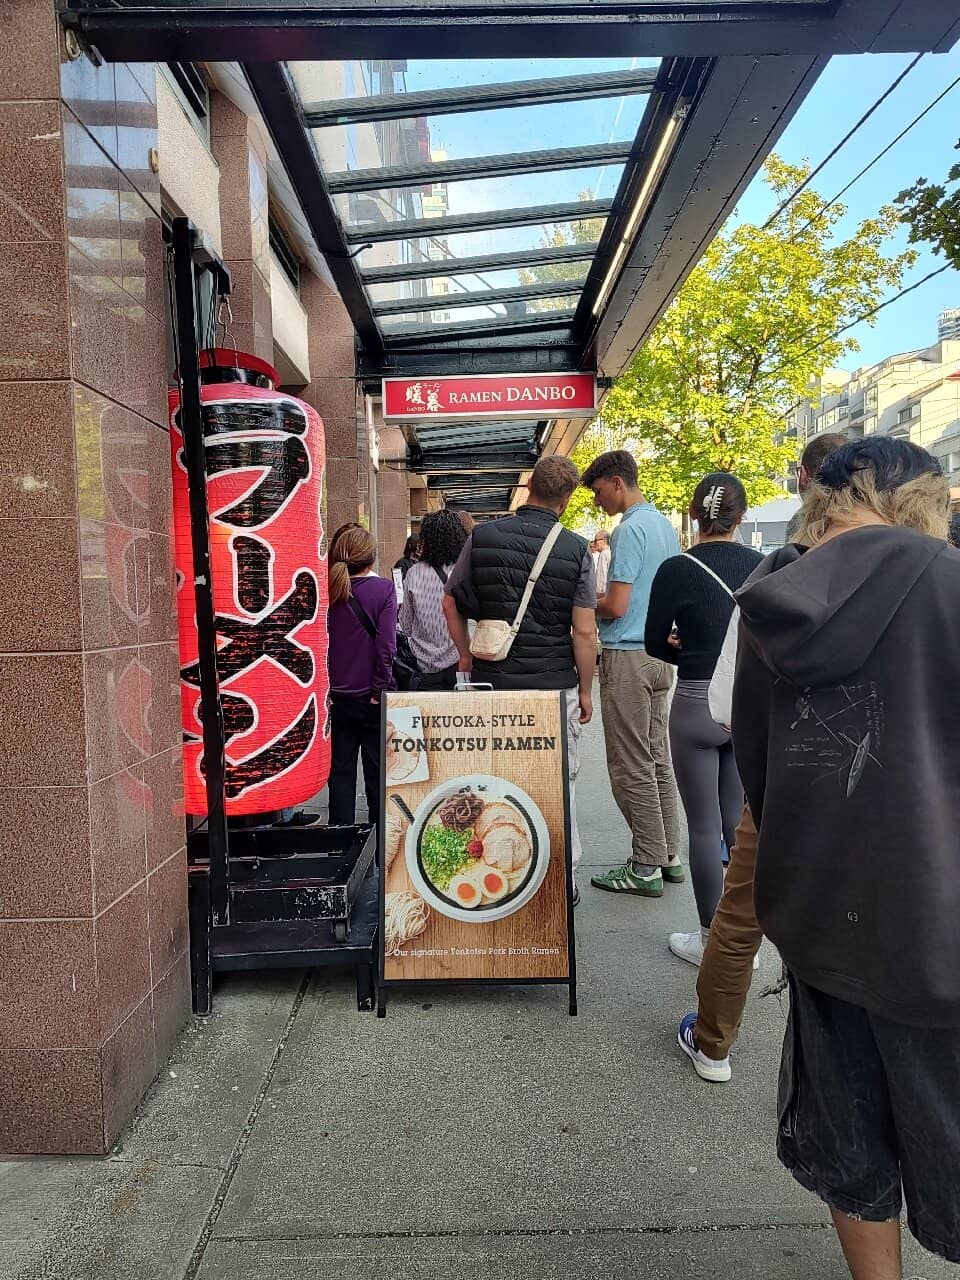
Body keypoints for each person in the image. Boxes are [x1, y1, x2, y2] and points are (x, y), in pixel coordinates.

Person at [733, 438, 958, 1279]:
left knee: (848, 1133)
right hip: (943, 915)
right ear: (922, 498)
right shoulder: (952, 584)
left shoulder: (772, 606)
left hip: (820, 910)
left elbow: (754, 768)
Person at [678, 429, 846, 1083]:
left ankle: (714, 1043)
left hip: (789, 776)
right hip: (901, 790)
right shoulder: (934, 571)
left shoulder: (781, 569)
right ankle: (845, 1071)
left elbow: (725, 697)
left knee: (739, 915)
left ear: (805, 481)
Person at [442, 456, 597, 902]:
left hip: (496, 683)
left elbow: (451, 601)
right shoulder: (575, 548)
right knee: (559, 777)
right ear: (567, 500)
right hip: (554, 685)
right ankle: (561, 880)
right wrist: (585, 689)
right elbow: (584, 631)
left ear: (528, 486)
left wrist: (465, 656)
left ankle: (501, 870)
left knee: (497, 773)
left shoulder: (483, 536)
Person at [644, 473, 763, 966]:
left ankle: (711, 936)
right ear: (741, 516)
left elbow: (653, 642)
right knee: (739, 824)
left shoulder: (676, 568)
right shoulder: (763, 565)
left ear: (694, 514)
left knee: (703, 827)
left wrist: (686, 649)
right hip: (747, 705)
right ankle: (744, 941)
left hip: (695, 701)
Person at [580, 450, 683, 897]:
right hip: (661, 656)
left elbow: (617, 605)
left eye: (600, 492)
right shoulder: (665, 527)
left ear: (617, 482)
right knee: (657, 757)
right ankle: (669, 855)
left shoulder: (629, 531)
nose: (599, 502)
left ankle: (644, 865)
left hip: (627, 655)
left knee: (629, 764)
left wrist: (586, 603)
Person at [327, 524, 397, 830]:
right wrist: (378, 690)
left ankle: (339, 847)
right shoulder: (383, 590)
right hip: (370, 697)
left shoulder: (326, 590)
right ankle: (379, 851)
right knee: (377, 776)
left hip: (335, 699)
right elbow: (386, 648)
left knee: (340, 775)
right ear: (371, 556)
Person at [400, 509, 470, 691]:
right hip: (459, 663)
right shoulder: (464, 571)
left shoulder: (414, 573)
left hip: (421, 666)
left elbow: (406, 626)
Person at [591, 529, 611, 596]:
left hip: (601, 595)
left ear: (604, 541)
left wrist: (597, 596)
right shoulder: (611, 552)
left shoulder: (604, 554)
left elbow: (601, 579)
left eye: (596, 540)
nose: (594, 543)